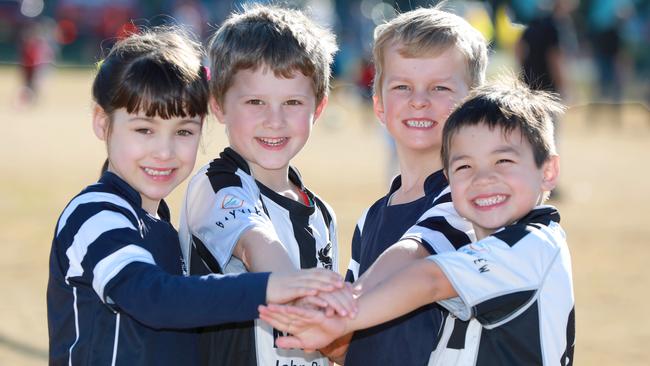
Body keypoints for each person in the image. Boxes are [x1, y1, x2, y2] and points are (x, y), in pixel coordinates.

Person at [46, 26, 347, 366]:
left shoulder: (163, 230)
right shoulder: (94, 214)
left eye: (184, 131)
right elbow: (152, 298)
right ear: (102, 121)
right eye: (144, 129)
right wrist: (270, 287)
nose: (164, 151)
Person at [260, 77, 576, 366]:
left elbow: (428, 279)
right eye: (465, 166)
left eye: (503, 161)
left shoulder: (533, 245)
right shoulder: (476, 250)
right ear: (449, 178)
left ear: (548, 172)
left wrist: (344, 318)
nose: (484, 179)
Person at [318, 6, 488, 365]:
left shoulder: (471, 204)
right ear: (379, 105)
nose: (419, 100)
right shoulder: (372, 217)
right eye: (402, 86)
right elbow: (344, 344)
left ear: (474, 103)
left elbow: (413, 255)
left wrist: (337, 313)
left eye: (440, 87)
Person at [177, 5, 340, 366]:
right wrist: (316, 314)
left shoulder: (322, 215)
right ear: (218, 105)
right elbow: (256, 247)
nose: (274, 120)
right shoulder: (217, 185)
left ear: (319, 107)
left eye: (293, 102)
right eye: (255, 102)